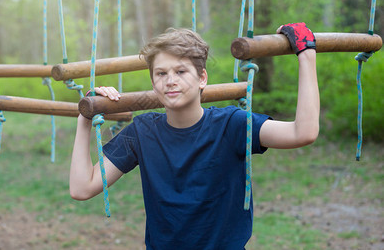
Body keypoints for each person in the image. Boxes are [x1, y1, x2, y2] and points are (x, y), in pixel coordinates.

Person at [69, 23, 320, 249]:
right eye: (161, 73)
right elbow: (82, 188)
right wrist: (85, 117)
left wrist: (306, 54)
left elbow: (303, 132)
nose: (170, 81)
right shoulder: (142, 132)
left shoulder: (231, 125)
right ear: (153, 82)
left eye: (180, 72)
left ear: (202, 78)